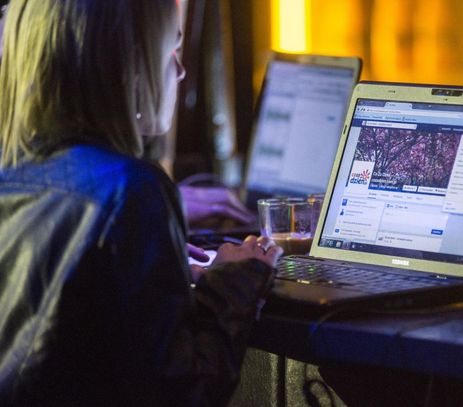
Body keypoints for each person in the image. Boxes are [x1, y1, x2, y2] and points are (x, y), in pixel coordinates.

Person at [0, 1, 282, 406]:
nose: (180, 71)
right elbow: (184, 393)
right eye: (170, 51)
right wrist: (234, 279)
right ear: (129, 66)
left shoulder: (12, 171)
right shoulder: (133, 191)